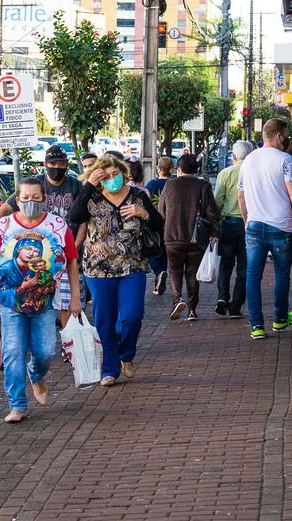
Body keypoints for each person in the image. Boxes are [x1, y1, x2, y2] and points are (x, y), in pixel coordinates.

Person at [0, 177, 82, 422]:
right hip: (10, 303)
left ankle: (36, 375)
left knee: (45, 351)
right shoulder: (3, 226)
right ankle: (17, 405)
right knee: (13, 351)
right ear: (17, 200)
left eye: (35, 197)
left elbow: (71, 260)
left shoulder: (57, 225)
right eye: (25, 198)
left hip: (44, 304)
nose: (30, 202)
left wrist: (75, 297)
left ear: (44, 199)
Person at [68, 155, 163, 386]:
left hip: (132, 265)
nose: (111, 179)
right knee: (105, 320)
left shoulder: (138, 195)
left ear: (123, 172)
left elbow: (159, 223)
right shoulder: (90, 196)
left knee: (132, 315)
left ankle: (126, 354)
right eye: (106, 176)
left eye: (115, 175)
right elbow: (74, 216)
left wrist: (144, 214)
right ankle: (109, 369)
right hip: (98, 270)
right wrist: (90, 184)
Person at [238, 118, 292, 339]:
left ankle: (256, 325)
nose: (286, 140)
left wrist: (246, 219)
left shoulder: (248, 160)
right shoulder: (285, 160)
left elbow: (241, 195)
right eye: (285, 136)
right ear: (278, 136)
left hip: (255, 226)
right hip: (281, 226)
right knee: (281, 275)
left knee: (252, 276)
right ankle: (279, 319)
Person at [158, 153, 220, 322]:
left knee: (175, 270)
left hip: (172, 237)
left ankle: (177, 300)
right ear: (196, 169)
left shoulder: (169, 185)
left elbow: (161, 211)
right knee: (192, 274)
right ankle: (192, 310)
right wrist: (214, 233)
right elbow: (212, 212)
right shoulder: (203, 185)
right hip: (196, 238)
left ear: (178, 169)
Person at [213, 140, 253, 319]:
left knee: (226, 263)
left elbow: (217, 201)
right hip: (249, 224)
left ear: (234, 156)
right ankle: (236, 306)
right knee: (244, 267)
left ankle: (222, 297)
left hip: (228, 223)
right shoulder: (254, 173)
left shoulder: (225, 173)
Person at [145, 157, 175, 295]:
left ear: (159, 169)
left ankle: (158, 273)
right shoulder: (174, 183)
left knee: (153, 250)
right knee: (164, 250)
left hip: (154, 221)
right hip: (170, 222)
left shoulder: (152, 183)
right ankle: (161, 274)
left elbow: (145, 199)